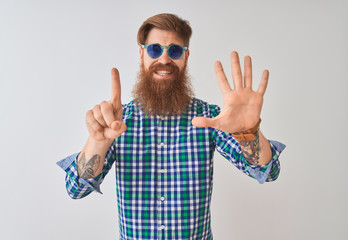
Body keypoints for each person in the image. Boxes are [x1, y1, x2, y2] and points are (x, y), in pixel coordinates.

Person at [57, 13, 285, 240]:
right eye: (155, 49)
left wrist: (248, 131)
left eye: (175, 51)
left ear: (186, 56)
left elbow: (266, 171)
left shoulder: (211, 118)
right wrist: (98, 141)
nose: (164, 59)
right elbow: (76, 189)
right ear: (142, 54)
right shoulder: (118, 122)